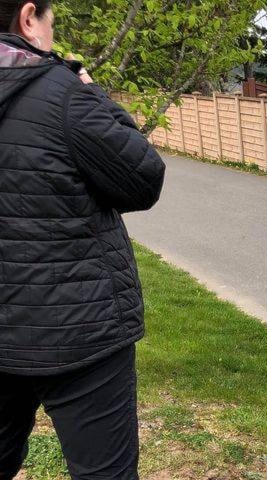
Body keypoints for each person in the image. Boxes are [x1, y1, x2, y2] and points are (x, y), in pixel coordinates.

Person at [0, 2, 166, 479]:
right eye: (50, 22)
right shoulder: (63, 92)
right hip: (79, 328)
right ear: (29, 17)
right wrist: (96, 97)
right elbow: (141, 179)